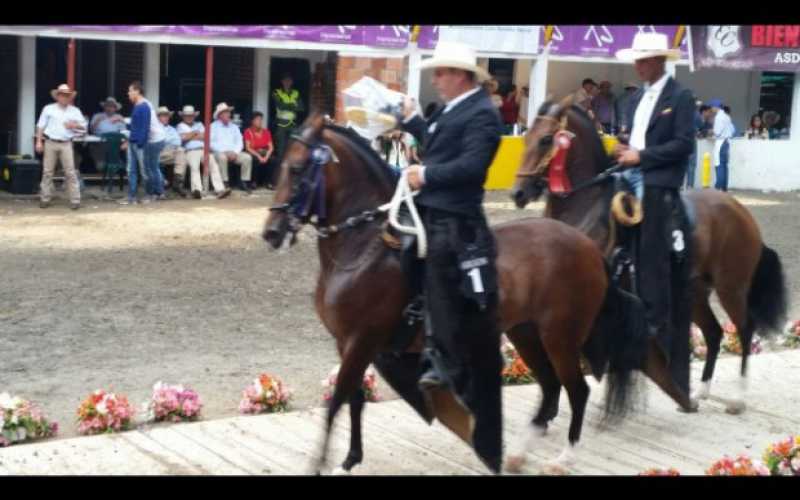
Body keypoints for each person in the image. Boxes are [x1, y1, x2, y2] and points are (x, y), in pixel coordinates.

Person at [401, 41, 504, 473]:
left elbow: (472, 167)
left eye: (440, 72)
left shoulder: (483, 113)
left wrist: (424, 173)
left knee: (443, 287)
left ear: (460, 75)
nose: (434, 78)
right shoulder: (450, 109)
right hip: (431, 210)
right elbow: (441, 143)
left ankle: (444, 367)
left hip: (457, 221)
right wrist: (413, 123)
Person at [614, 33, 695, 396]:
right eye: (637, 59)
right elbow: (630, 137)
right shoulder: (633, 99)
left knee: (650, 238)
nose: (638, 65)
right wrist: (622, 146)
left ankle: (652, 316)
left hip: (658, 177)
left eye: (644, 60)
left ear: (661, 61)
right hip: (628, 170)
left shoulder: (680, 97)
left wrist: (641, 157)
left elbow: (683, 145)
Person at [35, 83, 86, 210]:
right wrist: (39, 141)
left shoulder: (75, 111)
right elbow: (40, 126)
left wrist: (74, 126)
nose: (65, 97)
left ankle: (75, 200)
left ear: (70, 97)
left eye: (67, 95)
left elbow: (84, 126)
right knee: (47, 172)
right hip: (50, 142)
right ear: (58, 96)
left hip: (66, 143)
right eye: (62, 95)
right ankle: (45, 198)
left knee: (70, 172)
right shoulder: (48, 108)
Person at [122, 81, 166, 205]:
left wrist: (140, 143)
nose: (128, 93)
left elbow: (145, 127)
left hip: (146, 141)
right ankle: (135, 195)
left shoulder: (144, 106)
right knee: (141, 169)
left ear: (137, 91)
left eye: (130, 90)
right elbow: (137, 125)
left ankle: (152, 193)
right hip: (138, 141)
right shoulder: (139, 105)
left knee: (147, 169)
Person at [176, 105, 230, 200]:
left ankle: (220, 189)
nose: (189, 117)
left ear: (194, 116)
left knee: (213, 165)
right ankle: (197, 190)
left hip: (203, 149)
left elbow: (205, 137)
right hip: (190, 151)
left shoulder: (199, 124)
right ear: (183, 116)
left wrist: (190, 135)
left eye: (191, 115)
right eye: (187, 115)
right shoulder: (180, 126)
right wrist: (195, 133)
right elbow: (182, 139)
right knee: (194, 166)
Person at [211, 102, 253, 193]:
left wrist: (235, 152)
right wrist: (225, 152)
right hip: (219, 152)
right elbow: (211, 143)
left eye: (228, 112)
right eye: (225, 112)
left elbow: (239, 141)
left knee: (247, 157)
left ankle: (244, 182)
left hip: (234, 153)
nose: (228, 114)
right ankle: (224, 182)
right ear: (219, 115)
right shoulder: (213, 127)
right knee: (222, 158)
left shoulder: (234, 126)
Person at [88, 97, 128, 175]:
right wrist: (97, 121)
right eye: (107, 106)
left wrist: (121, 120)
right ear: (104, 107)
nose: (109, 108)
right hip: (99, 145)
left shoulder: (119, 117)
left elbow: (124, 133)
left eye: (112, 106)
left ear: (115, 108)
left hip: (115, 147)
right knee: (100, 166)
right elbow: (91, 131)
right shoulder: (97, 116)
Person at [272, 73, 304, 161]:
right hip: (281, 123)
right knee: (280, 149)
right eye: (285, 80)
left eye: (289, 80)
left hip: (293, 123)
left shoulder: (295, 93)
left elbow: (301, 108)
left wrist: (287, 106)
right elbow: (280, 106)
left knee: (293, 146)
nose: (287, 82)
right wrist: (293, 106)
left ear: (292, 82)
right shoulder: (277, 92)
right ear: (282, 81)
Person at [156, 107, 188, 197]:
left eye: (167, 116)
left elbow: (178, 141)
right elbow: (159, 140)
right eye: (163, 116)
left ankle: (177, 182)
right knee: (179, 151)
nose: (166, 118)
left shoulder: (172, 129)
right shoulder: (155, 128)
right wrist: (168, 141)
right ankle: (174, 184)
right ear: (158, 117)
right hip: (158, 153)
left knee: (181, 151)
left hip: (170, 152)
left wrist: (167, 140)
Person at [707, 99, 734, 192]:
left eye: (711, 107)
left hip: (721, 143)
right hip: (727, 142)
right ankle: (724, 188)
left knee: (719, 165)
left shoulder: (718, 117)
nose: (711, 109)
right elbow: (732, 130)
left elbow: (717, 132)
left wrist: (711, 132)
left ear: (716, 107)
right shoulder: (727, 116)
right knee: (725, 165)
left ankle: (718, 186)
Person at [243, 111, 276, 189]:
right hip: (253, 152)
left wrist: (266, 157)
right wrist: (259, 156)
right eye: (258, 120)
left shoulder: (266, 132)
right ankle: (254, 182)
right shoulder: (248, 132)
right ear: (252, 121)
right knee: (255, 160)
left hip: (264, 152)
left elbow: (271, 147)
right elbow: (248, 148)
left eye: (261, 120)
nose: (260, 122)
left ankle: (269, 182)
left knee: (273, 160)